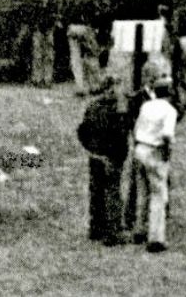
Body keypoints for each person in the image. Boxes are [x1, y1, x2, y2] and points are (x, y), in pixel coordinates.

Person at [77, 75, 131, 245]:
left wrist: (90, 150)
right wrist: (120, 156)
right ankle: (112, 232)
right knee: (112, 193)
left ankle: (96, 228)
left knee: (96, 192)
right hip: (112, 157)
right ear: (111, 89)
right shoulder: (117, 111)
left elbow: (82, 131)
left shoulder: (92, 107)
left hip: (95, 156)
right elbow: (121, 136)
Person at [131, 62, 179, 253]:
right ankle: (156, 238)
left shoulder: (146, 106)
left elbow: (136, 129)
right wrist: (166, 152)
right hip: (155, 151)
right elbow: (167, 134)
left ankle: (139, 229)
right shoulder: (169, 110)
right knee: (159, 195)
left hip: (140, 148)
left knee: (142, 192)